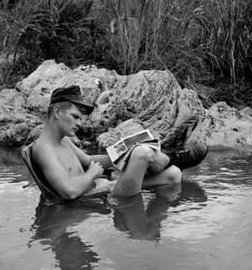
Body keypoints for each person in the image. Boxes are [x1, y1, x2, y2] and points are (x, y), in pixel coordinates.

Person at [31, 85, 208, 199]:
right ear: (56, 112)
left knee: (174, 175)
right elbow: (68, 191)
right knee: (142, 153)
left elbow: (89, 161)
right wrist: (92, 174)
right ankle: (172, 158)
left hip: (104, 187)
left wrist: (120, 151)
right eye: (75, 117)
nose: (80, 123)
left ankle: (172, 206)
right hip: (98, 196)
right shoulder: (43, 148)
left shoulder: (64, 142)